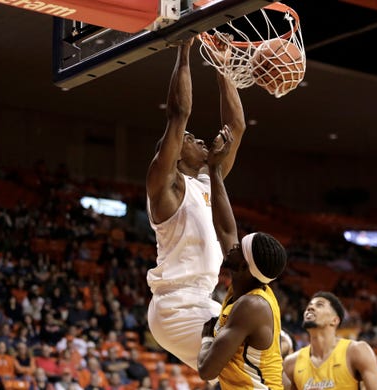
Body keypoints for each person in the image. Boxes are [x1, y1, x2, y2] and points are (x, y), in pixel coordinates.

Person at [145, 35, 246, 372]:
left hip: (202, 300)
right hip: (175, 307)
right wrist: (184, 49)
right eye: (188, 139)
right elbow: (179, 114)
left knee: (274, 348)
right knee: (247, 356)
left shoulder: (207, 180)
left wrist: (223, 67)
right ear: (172, 155)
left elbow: (237, 127)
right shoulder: (167, 189)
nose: (197, 137)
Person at [196, 128, 288, 388]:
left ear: (244, 267)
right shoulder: (244, 278)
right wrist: (214, 170)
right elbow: (225, 228)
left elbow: (206, 369)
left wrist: (206, 337)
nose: (233, 246)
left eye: (240, 247)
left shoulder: (252, 306)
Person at [282, 291, 377, 390]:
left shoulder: (356, 351)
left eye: (319, 305)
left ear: (334, 320)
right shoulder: (291, 363)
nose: (310, 308)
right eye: (309, 306)